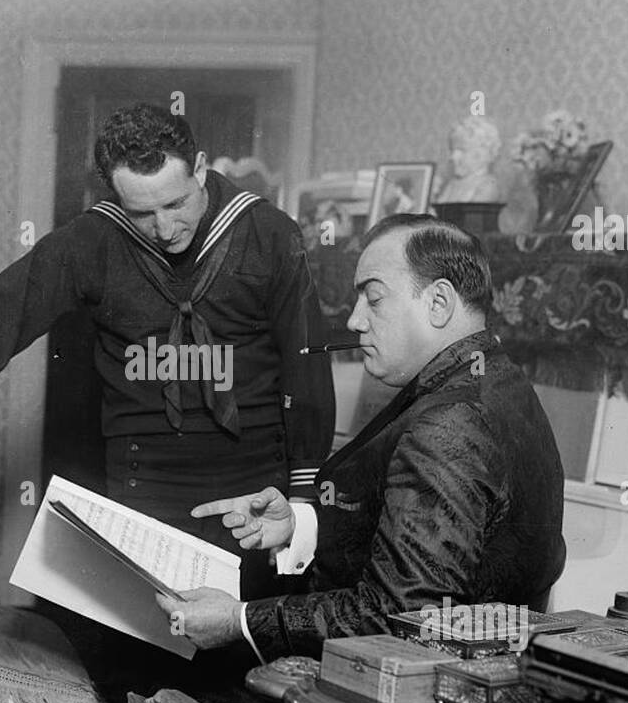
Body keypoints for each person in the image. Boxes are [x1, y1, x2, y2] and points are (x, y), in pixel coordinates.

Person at [0, 102, 335, 605]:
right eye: (142, 213)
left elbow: (306, 364)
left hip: (253, 494)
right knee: (141, 647)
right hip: (141, 494)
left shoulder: (269, 234)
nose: (165, 229)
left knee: (241, 645)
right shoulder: (91, 240)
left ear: (200, 168)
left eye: (176, 204)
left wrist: (302, 498)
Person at [158, 214, 566, 661]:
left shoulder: (452, 421)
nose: (354, 320)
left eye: (374, 299)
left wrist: (239, 620)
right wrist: (302, 526)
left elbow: (401, 615)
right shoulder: (496, 380)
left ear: (439, 302)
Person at [433, 117, 503, 203]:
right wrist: (431, 195)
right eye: (452, 150)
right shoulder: (452, 184)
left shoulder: (487, 186)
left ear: (481, 154)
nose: (453, 157)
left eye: (461, 150)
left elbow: (472, 211)